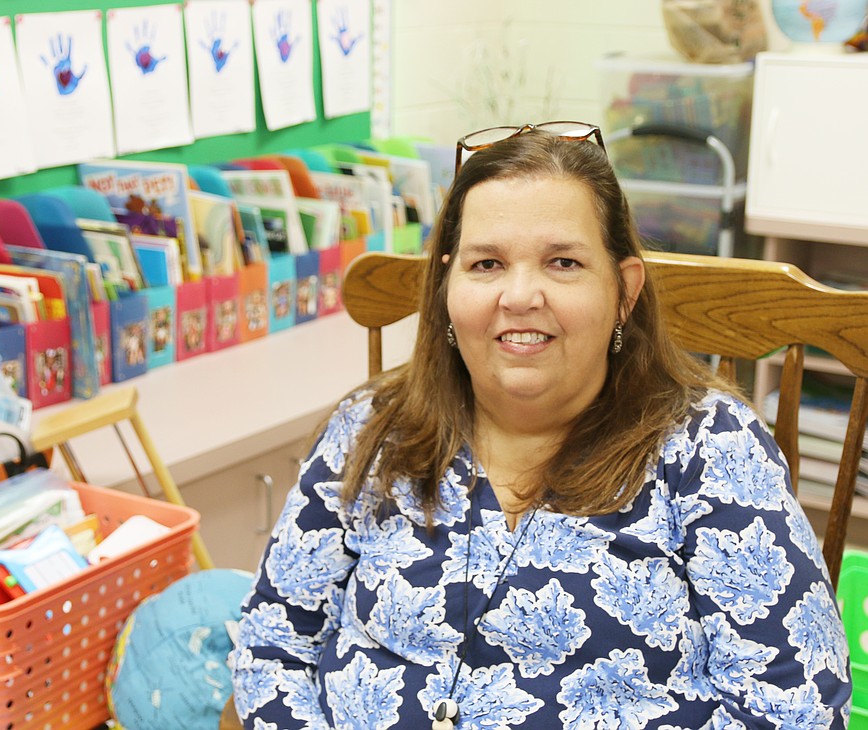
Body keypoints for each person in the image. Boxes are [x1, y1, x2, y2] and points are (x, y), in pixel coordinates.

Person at [229, 123, 852, 729]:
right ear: (447, 285)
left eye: (562, 263)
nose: (520, 295)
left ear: (624, 291)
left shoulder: (708, 448)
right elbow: (272, 643)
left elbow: (795, 706)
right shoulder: (371, 427)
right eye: (486, 265)